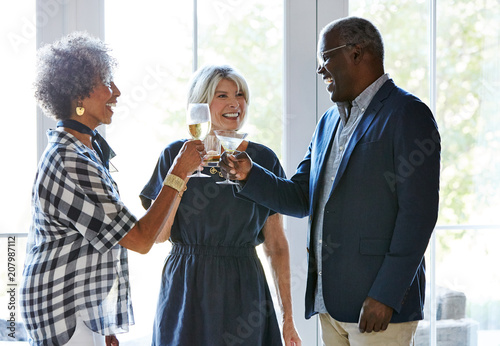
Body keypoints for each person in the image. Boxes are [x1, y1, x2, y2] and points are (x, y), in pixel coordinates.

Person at [221, 17, 441, 346]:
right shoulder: (327, 122)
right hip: (329, 306)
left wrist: (386, 295)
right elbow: (299, 197)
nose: (320, 70)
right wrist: (250, 175)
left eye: (325, 58)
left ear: (357, 53)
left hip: (379, 308)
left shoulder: (406, 114)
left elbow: (419, 215)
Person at [20, 32, 204, 346]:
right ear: (77, 95)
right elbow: (141, 239)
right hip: (63, 316)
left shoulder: (82, 150)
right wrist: (178, 171)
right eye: (106, 81)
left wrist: (103, 324)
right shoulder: (71, 160)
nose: (116, 92)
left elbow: (93, 243)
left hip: (76, 314)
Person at [140, 65, 302, 346]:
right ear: (200, 105)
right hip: (187, 286)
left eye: (239, 95)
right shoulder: (175, 155)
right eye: (222, 95)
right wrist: (183, 174)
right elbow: (159, 235)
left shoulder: (263, 160)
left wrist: (288, 318)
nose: (234, 103)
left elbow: (276, 245)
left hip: (244, 286)